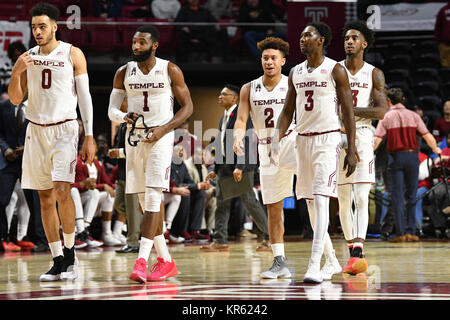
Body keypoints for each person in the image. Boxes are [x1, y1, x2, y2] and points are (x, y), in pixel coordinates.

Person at [8, 2, 96, 281]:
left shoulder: (72, 53)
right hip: (35, 130)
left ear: (55, 26)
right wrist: (16, 71)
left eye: (42, 25)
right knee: (44, 197)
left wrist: (90, 135)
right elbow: (13, 99)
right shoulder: (28, 57)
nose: (37, 31)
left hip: (65, 130)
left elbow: (85, 97)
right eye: (33, 26)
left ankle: (71, 255)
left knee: (61, 190)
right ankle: (57, 258)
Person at [108, 25, 193, 283]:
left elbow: (188, 107)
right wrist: (124, 116)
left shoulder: (170, 69)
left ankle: (141, 261)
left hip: (161, 138)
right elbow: (112, 110)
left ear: (154, 45)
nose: (136, 47)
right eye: (134, 43)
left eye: (142, 43)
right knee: (146, 204)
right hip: (134, 140)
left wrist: (164, 129)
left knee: (154, 197)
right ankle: (166, 260)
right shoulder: (123, 72)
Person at [276, 22, 359, 283]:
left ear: (321, 40)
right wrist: (276, 139)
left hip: (327, 139)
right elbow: (288, 111)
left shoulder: (335, 69)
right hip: (302, 141)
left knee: (323, 199)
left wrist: (352, 149)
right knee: (310, 202)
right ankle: (331, 259)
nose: (302, 39)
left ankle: (314, 264)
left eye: (307, 35)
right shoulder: (295, 72)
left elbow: (348, 112)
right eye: (300, 35)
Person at [233, 37, 295, 279]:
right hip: (266, 149)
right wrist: (237, 137)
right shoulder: (249, 88)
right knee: (273, 207)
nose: (269, 62)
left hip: (291, 142)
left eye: (273, 58)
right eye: (265, 58)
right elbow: (240, 119)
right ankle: (279, 260)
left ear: (283, 61)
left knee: (313, 196)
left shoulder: (293, 84)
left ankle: (327, 256)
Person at [337, 21, 388, 275]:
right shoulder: (334, 70)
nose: (349, 41)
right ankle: (351, 253)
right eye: (346, 38)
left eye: (354, 38)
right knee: (343, 198)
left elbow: (381, 110)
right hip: (337, 135)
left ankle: (359, 250)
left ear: (364, 44)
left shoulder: (374, 73)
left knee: (360, 195)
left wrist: (350, 111)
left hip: (364, 134)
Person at [200, 84, 270, 252]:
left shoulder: (242, 114)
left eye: (224, 94)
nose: (220, 96)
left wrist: (240, 166)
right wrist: (214, 169)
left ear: (234, 98)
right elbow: (220, 144)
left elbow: (246, 141)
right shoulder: (224, 117)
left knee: (250, 202)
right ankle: (220, 240)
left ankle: (270, 238)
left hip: (242, 165)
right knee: (222, 203)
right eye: (220, 93)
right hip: (225, 165)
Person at [373, 88, 441, 242]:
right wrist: (435, 149)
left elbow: (377, 139)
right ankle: (412, 232)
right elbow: (427, 135)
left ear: (389, 101)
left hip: (396, 158)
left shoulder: (387, 117)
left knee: (397, 196)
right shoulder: (414, 115)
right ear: (403, 99)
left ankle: (401, 233)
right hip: (412, 157)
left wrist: (367, 154)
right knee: (411, 195)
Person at [108, 122, 142, 254]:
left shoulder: (139, 124)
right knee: (119, 205)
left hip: (133, 172)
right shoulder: (122, 125)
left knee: (132, 210)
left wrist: (120, 153)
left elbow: (140, 149)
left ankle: (133, 242)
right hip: (121, 172)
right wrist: (114, 152)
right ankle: (140, 224)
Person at [434, 1, 450, 68]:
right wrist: (439, 42)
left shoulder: (443, 10)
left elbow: (438, 26)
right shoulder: (443, 10)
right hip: (445, 44)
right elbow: (438, 26)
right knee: (446, 67)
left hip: (445, 43)